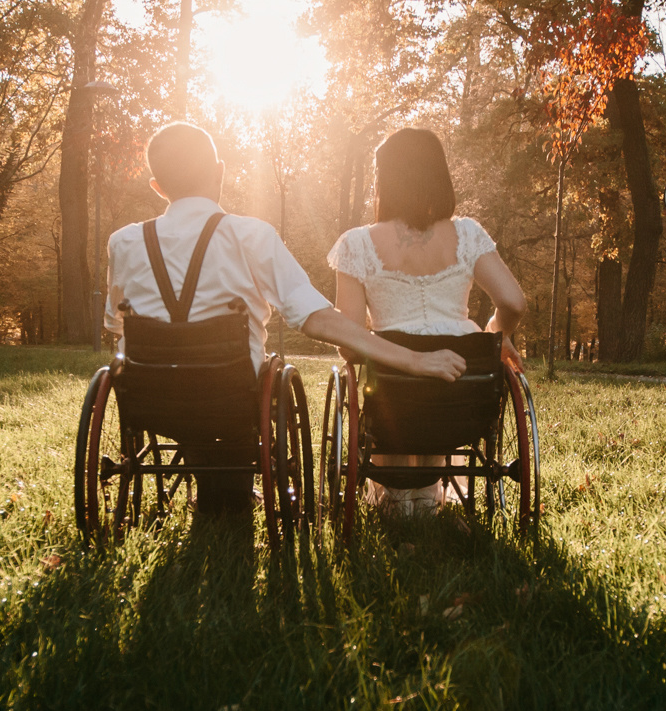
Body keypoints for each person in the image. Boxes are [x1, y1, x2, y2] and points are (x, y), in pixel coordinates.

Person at [105, 122, 465, 520]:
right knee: (237, 382)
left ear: (157, 186)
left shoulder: (122, 242)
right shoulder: (250, 235)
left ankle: (215, 489)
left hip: (153, 399)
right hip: (231, 396)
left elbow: (116, 325)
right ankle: (228, 488)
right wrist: (412, 359)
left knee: (182, 383)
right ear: (219, 172)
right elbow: (315, 318)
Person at [327, 127, 527, 514]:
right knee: (446, 398)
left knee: (392, 395)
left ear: (384, 180)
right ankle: (426, 500)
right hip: (463, 389)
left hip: (392, 391)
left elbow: (347, 345)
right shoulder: (467, 234)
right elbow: (514, 301)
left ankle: (400, 500)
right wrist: (494, 335)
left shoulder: (357, 243)